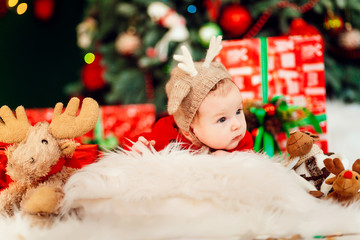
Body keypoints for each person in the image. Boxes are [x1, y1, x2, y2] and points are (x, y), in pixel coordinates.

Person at [128, 36, 253, 155]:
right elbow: (135, 144)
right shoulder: (166, 134)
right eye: (222, 119)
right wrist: (141, 149)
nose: (237, 125)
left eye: (238, 111)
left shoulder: (239, 139)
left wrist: (229, 159)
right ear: (191, 131)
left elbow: (248, 163)